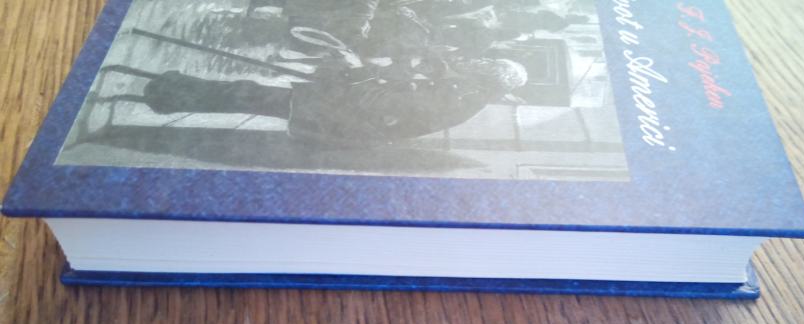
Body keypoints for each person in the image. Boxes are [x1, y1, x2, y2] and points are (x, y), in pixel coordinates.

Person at [141, 57, 527, 147]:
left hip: (339, 117)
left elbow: (383, 104)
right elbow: (413, 90)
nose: (478, 63)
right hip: (341, 109)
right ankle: (173, 92)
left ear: (489, 78)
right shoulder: (464, 93)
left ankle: (167, 94)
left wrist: (359, 71)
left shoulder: (458, 100)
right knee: (250, 94)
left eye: (486, 66)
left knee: (248, 94)